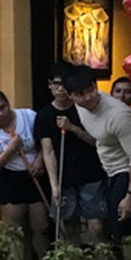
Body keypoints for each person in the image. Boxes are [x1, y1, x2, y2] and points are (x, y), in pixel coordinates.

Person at [64, 65, 131, 236]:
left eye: (91, 90)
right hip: (110, 171)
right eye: (80, 94)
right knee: (110, 228)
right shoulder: (79, 106)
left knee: (126, 230)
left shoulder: (120, 115)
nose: (88, 97)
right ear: (70, 96)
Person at [0, 89, 49, 260]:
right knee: (15, 232)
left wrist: (40, 161)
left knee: (41, 226)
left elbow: (46, 143)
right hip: (10, 179)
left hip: (35, 174)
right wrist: (10, 149)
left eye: (3, 107)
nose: (1, 113)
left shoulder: (28, 116)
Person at [34, 63, 106, 244]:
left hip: (90, 174)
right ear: (49, 85)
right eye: (56, 84)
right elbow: (48, 152)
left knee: (97, 226)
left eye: (64, 84)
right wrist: (54, 186)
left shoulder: (84, 108)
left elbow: (97, 142)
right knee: (68, 227)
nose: (61, 89)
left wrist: (73, 128)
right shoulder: (44, 115)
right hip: (64, 177)